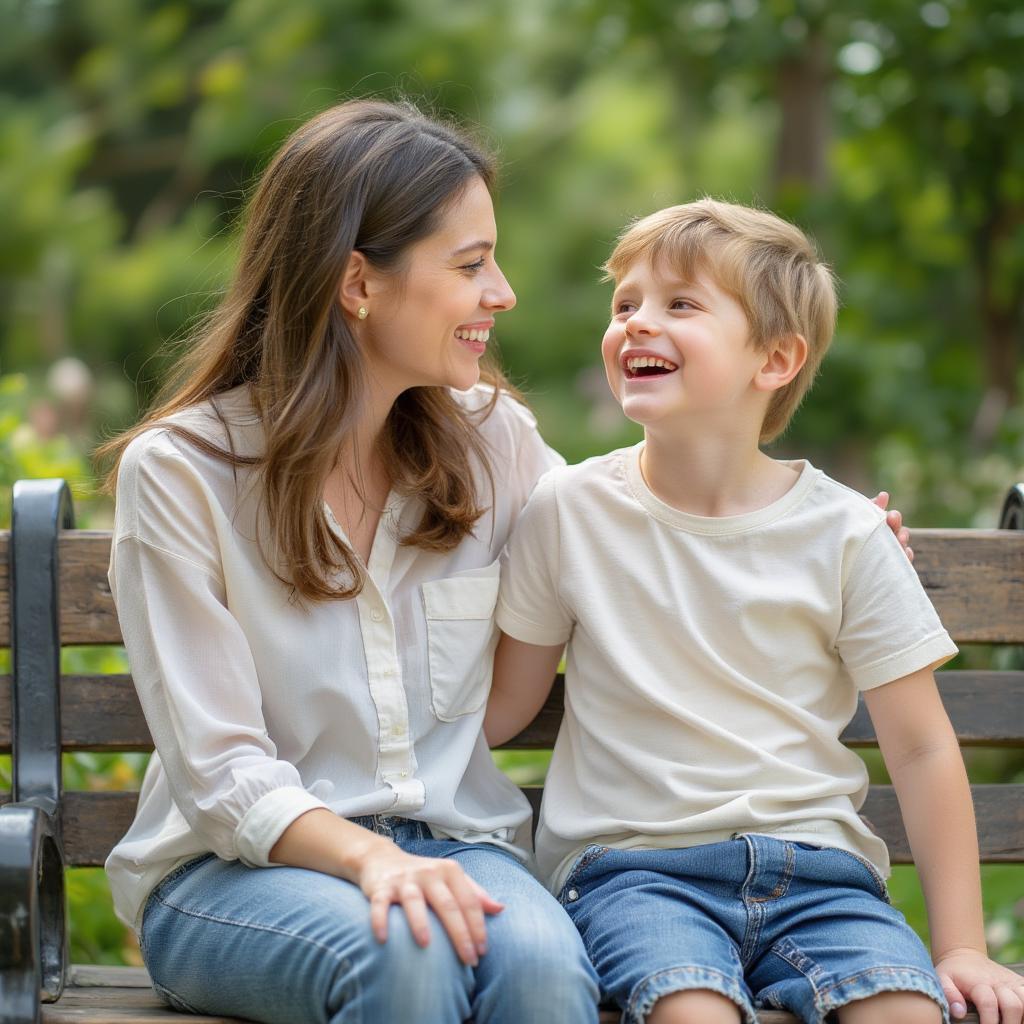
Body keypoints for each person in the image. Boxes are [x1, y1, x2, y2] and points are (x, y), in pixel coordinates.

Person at [97, 99, 600, 1024]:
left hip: (456, 841)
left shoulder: (498, 444)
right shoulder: (183, 474)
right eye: (470, 264)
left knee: (541, 970)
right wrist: (373, 858)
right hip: (233, 873)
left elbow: (633, 537)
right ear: (357, 283)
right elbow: (220, 773)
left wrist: (816, 541)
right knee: (407, 954)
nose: (503, 292)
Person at [485, 199, 1024, 1024]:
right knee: (690, 1009)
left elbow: (919, 746)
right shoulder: (567, 510)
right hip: (634, 872)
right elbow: (503, 707)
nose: (637, 323)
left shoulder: (845, 532)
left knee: (905, 1014)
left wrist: (960, 947)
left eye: (680, 304)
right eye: (624, 303)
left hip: (819, 875)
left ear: (774, 359)